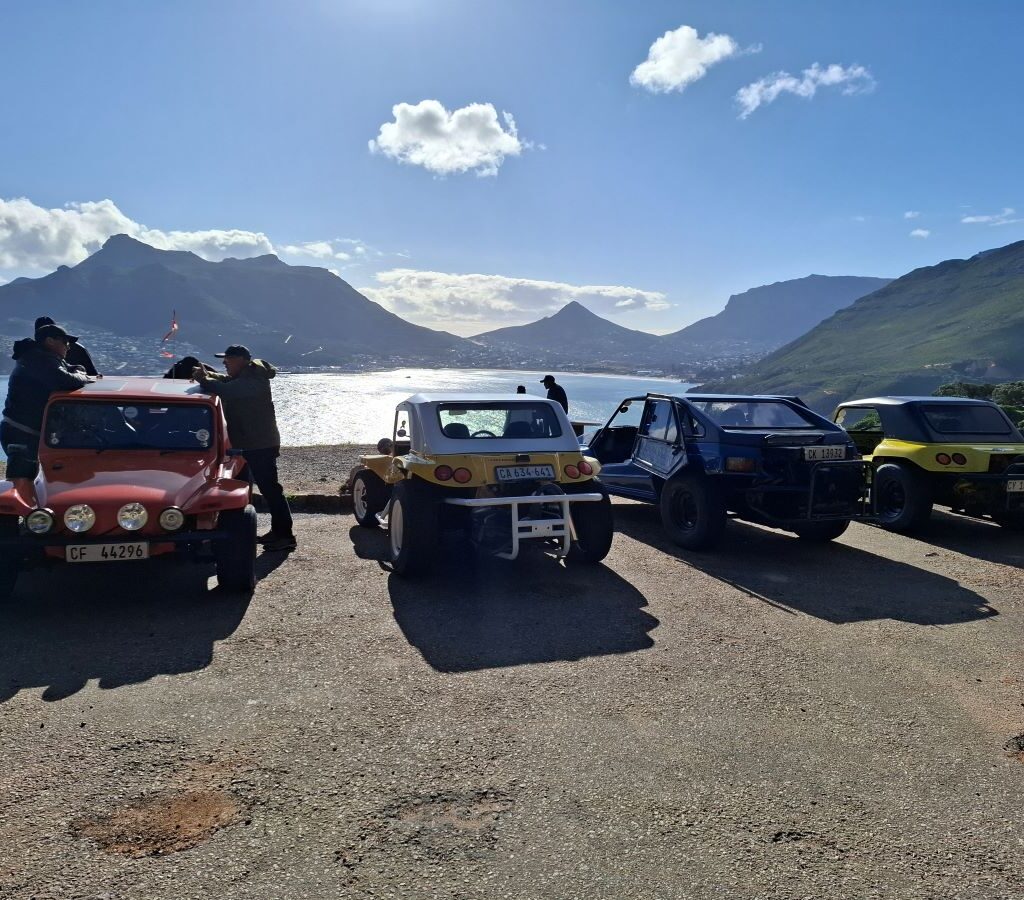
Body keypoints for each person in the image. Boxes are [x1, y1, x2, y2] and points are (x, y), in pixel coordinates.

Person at [193, 345, 295, 552]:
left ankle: (285, 536)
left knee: (271, 489)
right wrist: (208, 374)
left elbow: (228, 390)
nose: (224, 363)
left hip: (260, 444)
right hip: (253, 442)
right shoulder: (247, 376)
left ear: (240, 360)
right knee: (265, 488)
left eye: (228, 359)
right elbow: (227, 382)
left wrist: (205, 379)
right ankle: (278, 532)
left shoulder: (255, 380)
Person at [2, 324, 92, 505]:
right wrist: (86, 377)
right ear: (50, 341)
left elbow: (70, 369)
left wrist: (80, 370)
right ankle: (14, 527)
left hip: (24, 430)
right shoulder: (38, 359)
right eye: (65, 341)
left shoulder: (43, 358)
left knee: (31, 478)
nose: (68, 346)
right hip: (21, 433)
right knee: (21, 481)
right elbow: (66, 380)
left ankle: (30, 516)